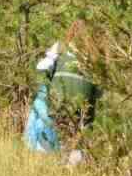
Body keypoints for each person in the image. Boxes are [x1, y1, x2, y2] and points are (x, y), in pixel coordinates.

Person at [36, 20, 101, 163]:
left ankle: (53, 161)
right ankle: (72, 165)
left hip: (61, 100)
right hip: (84, 105)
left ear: (70, 32)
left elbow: (42, 67)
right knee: (79, 137)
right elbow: (100, 90)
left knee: (59, 132)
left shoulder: (60, 46)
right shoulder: (95, 54)